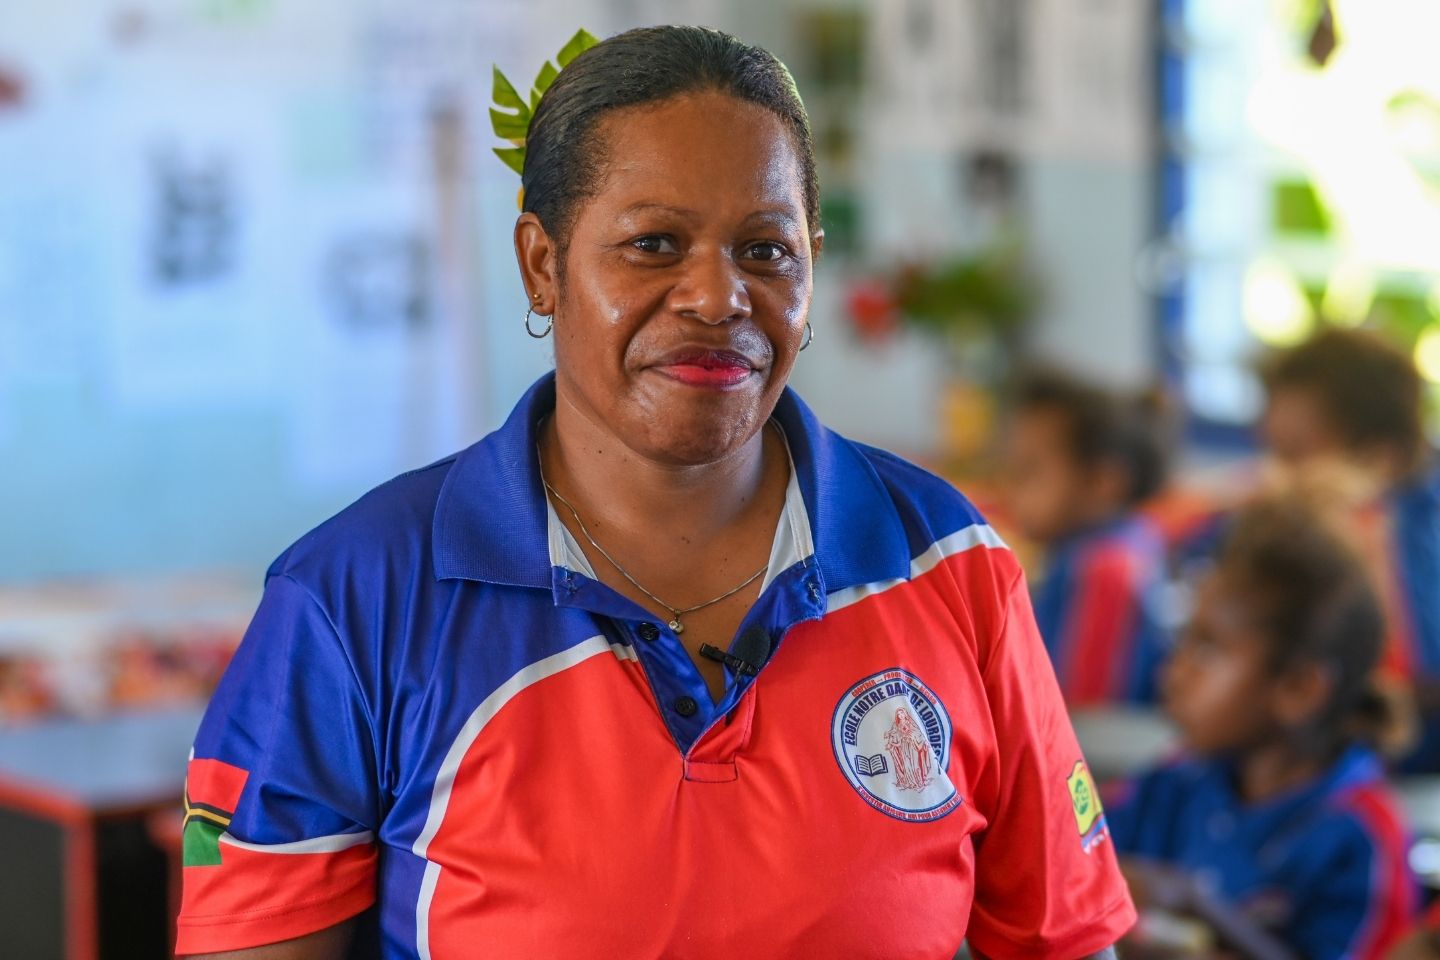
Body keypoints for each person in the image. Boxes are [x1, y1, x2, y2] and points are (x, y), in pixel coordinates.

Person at [172, 26, 1134, 960]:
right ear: (543, 266)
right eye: (655, 244)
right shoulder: (354, 602)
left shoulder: (945, 564)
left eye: (766, 250)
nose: (718, 298)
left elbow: (1062, 937)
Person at [1109, 498, 1417, 959]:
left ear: (1298, 688)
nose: (1174, 671)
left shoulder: (1363, 839)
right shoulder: (1178, 779)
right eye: (1183, 639)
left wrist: (1200, 907)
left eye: (1207, 647)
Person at [1259, 326, 1440, 770]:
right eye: (1274, 453)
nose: (1278, 479)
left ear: (1380, 459)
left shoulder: (1399, 536)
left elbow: (1412, 683)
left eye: (1296, 457)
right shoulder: (1307, 511)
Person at [1000, 370, 1172, 706]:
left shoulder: (1107, 569)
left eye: (1029, 472)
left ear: (1103, 481)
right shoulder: (1096, 547)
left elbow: (1084, 716)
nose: (1011, 491)